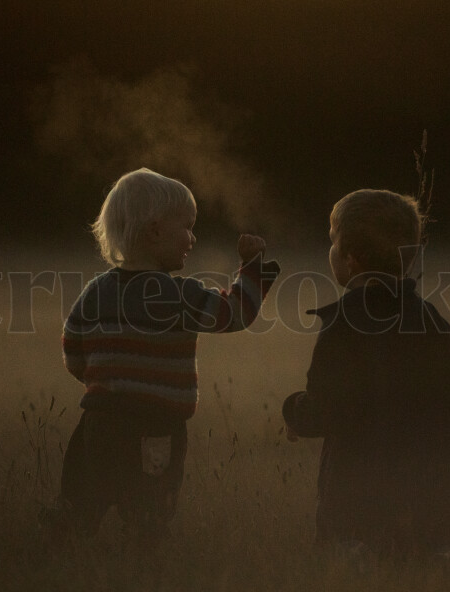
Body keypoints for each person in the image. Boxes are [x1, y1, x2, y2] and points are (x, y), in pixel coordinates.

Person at [53, 167, 280, 548]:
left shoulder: (95, 291)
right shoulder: (180, 295)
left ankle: (57, 554)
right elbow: (233, 315)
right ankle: (144, 569)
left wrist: (105, 380)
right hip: (154, 427)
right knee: (149, 513)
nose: (192, 238)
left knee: (79, 502)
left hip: (98, 423)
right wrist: (253, 270)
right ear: (156, 230)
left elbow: (73, 351)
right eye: (187, 226)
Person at [282, 189, 450, 559]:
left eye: (333, 241)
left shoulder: (345, 322)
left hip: (357, 505)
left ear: (350, 259)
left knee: (351, 555)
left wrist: (294, 412)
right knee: (422, 555)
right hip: (427, 504)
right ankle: (437, 551)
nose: (331, 250)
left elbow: (325, 407)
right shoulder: (430, 319)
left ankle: (355, 551)